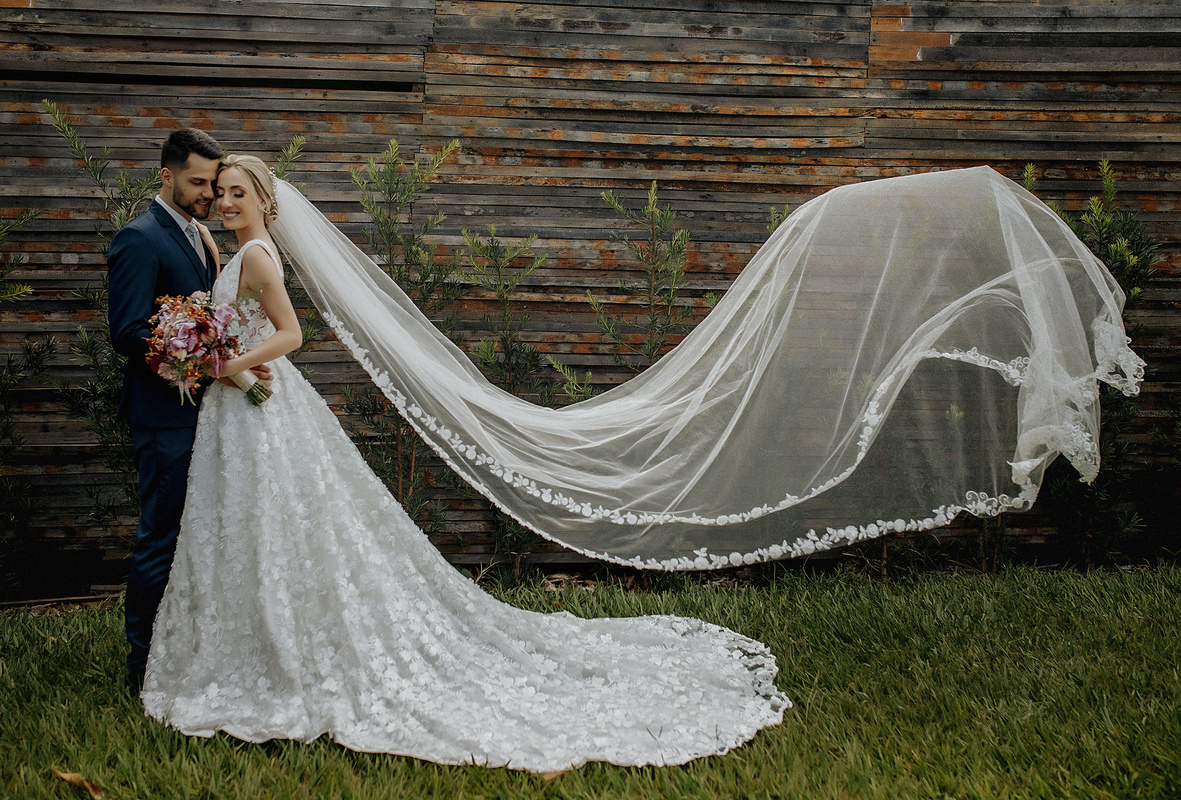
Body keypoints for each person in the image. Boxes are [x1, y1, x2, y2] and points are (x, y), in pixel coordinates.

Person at [141, 155, 790, 772]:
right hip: (239, 410)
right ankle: (250, 646)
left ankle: (279, 655)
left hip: (261, 404)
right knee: (252, 527)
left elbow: (290, 335)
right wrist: (208, 354)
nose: (224, 202)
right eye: (220, 192)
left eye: (237, 193)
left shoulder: (258, 256)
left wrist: (229, 365)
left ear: (264, 200)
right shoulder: (231, 251)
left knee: (278, 524)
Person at [108, 128, 237, 697]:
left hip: (204, 414)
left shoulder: (199, 236)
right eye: (197, 182)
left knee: (195, 534)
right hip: (163, 415)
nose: (208, 192)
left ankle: (185, 645)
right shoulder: (139, 239)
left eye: (213, 182)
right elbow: (128, 331)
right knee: (160, 535)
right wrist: (196, 355)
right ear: (166, 175)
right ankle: (141, 664)